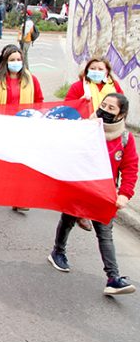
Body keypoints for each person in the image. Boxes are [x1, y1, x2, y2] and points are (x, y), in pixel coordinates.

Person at [47, 93, 138, 295]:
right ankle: (58, 252)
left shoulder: (125, 138)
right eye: (103, 105)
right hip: (80, 186)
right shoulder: (87, 129)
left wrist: (124, 194)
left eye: (111, 108)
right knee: (68, 219)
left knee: (105, 234)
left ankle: (113, 278)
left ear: (121, 114)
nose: (104, 110)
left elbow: (130, 167)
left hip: (104, 193)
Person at [0, 45, 44, 213]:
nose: (16, 63)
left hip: (23, 128)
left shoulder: (31, 79)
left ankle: (19, 198)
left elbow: (39, 101)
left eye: (19, 59)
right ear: (5, 62)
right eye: (12, 60)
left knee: (22, 165)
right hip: (3, 127)